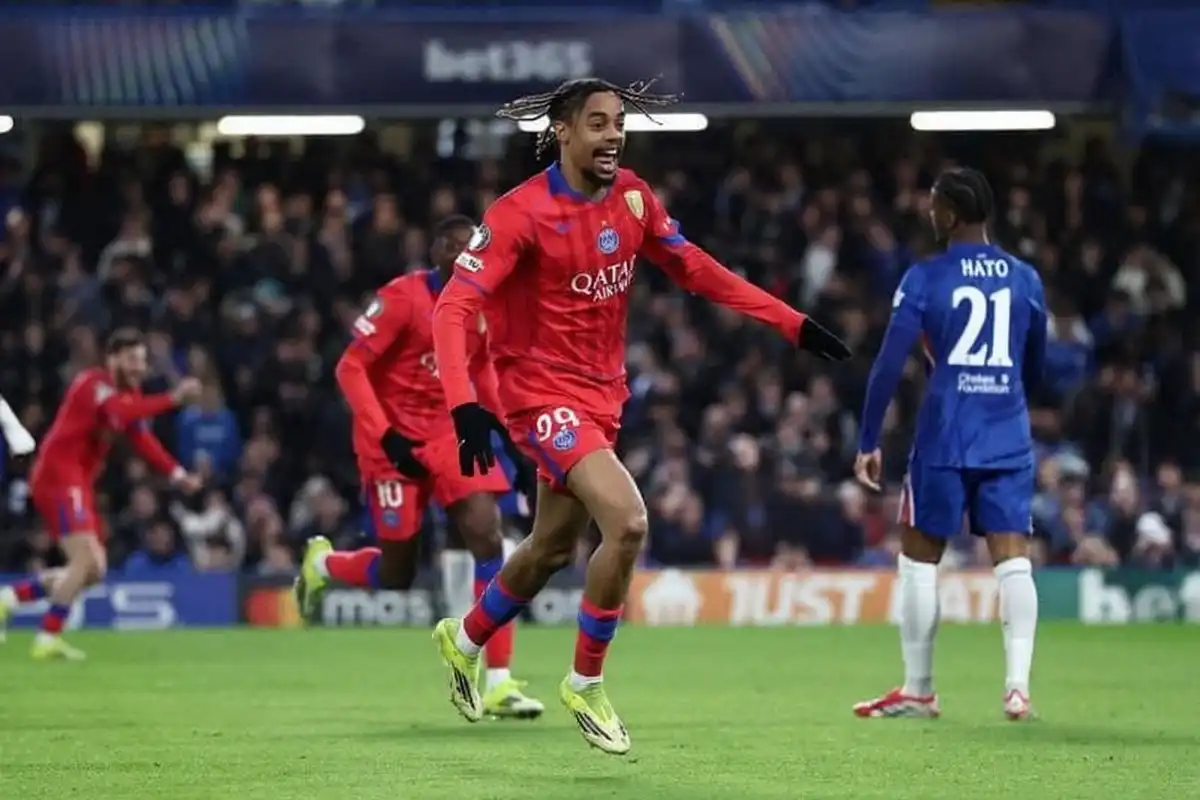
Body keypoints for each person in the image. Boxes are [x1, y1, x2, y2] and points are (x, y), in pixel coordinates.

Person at [429, 77, 851, 754]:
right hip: (539, 396)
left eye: (619, 123)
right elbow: (453, 307)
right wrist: (464, 404)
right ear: (563, 132)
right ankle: (586, 683)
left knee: (550, 548)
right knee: (627, 523)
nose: (613, 136)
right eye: (598, 124)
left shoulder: (633, 197)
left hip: (604, 397)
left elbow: (696, 269)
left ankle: (466, 637)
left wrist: (791, 324)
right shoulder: (518, 214)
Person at [294, 215, 543, 719]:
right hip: (390, 440)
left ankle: (498, 681)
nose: (464, 255)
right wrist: (386, 435)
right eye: (454, 246)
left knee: (488, 535)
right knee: (397, 574)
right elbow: (350, 367)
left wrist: (507, 435)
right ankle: (323, 565)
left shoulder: (481, 303)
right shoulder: (402, 299)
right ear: (435, 252)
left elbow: (481, 371)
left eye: (472, 246)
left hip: (448, 433)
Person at [852, 168, 1046, 721]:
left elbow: (889, 363)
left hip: (945, 435)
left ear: (952, 214)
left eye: (934, 204)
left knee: (919, 559)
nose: (929, 212)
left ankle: (919, 688)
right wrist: (1008, 404)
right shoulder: (1025, 279)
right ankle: (1017, 688)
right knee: (1013, 560)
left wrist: (869, 438)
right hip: (1007, 434)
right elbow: (1035, 362)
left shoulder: (925, 277)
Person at [0, 328, 203, 660]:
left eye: (142, 361)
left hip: (77, 481)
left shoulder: (127, 396)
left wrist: (177, 474)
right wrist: (172, 399)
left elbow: (142, 439)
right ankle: (47, 637)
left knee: (93, 570)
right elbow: (121, 413)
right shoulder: (93, 384)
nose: (139, 368)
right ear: (113, 359)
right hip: (58, 475)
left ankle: (8, 600)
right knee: (83, 559)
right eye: (132, 359)